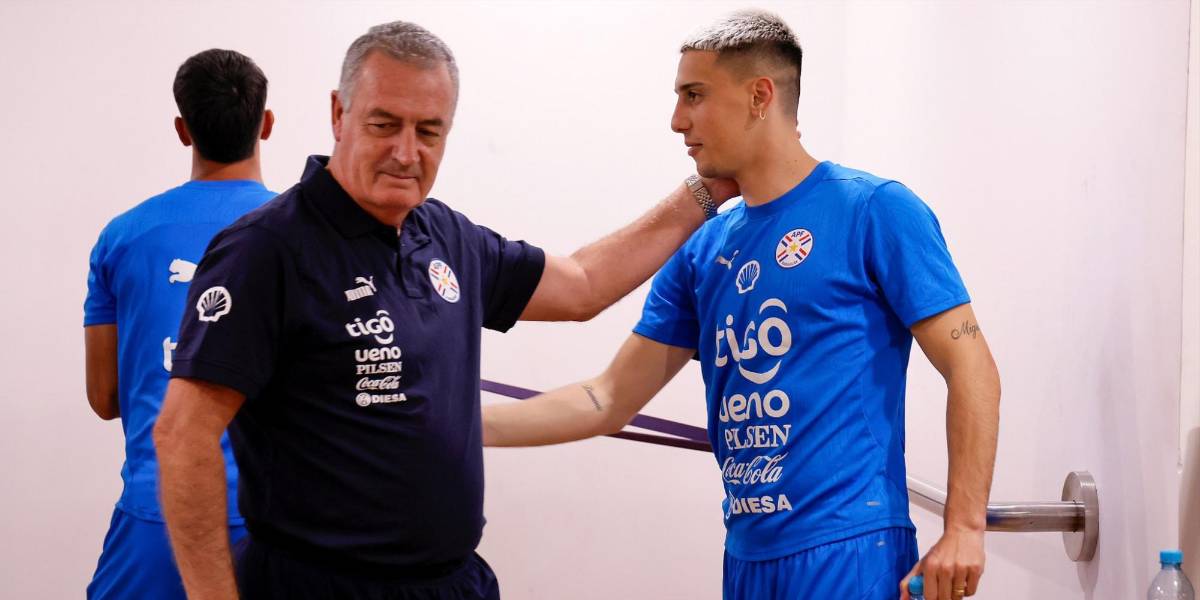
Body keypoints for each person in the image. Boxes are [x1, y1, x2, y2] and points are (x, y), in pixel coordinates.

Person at [152, 20, 738, 600]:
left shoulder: (447, 237)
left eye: (429, 132)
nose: (406, 153)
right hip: (317, 583)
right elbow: (183, 437)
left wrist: (705, 190)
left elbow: (582, 286)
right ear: (339, 114)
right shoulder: (266, 249)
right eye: (385, 125)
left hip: (450, 582)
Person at [482, 10, 1001, 600]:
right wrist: (462, 427)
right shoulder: (704, 248)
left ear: (760, 96)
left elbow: (973, 367)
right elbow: (606, 399)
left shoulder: (875, 210)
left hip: (850, 552)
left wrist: (964, 527)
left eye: (694, 96)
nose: (678, 121)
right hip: (747, 557)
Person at [83, 49, 275, 599]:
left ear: (182, 130)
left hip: (161, 510)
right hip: (276, 521)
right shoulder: (304, 235)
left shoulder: (123, 236)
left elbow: (104, 396)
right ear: (266, 125)